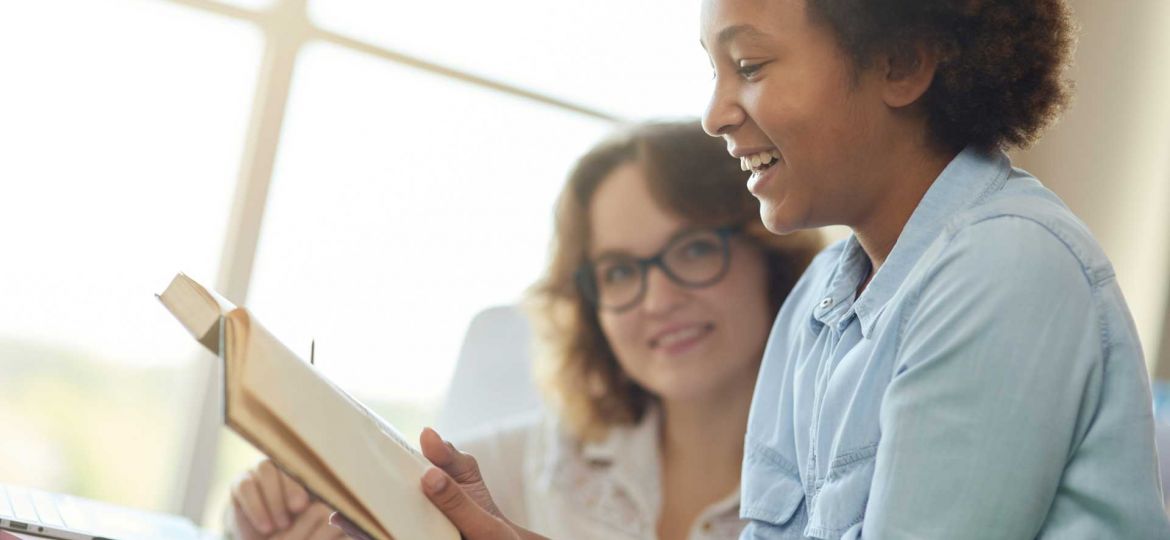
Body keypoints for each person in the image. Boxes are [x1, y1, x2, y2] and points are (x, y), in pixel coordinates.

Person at [339, 1, 1170, 538]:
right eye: (714, 70)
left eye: (752, 65)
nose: (715, 112)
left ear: (903, 64)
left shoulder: (1007, 269)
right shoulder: (819, 301)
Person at [223, 121, 822, 540]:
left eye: (692, 250)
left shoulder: (842, 475)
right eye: (618, 271)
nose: (660, 299)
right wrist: (276, 517)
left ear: (767, 254)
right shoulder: (524, 463)